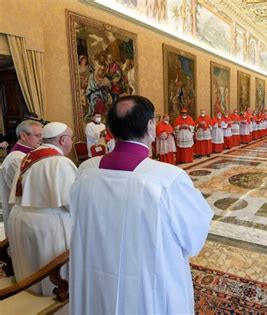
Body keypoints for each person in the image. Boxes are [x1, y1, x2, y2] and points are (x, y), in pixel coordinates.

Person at [69, 95, 213, 314]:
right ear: (150, 126)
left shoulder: (85, 171)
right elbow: (193, 237)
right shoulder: (167, 178)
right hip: (147, 285)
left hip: (96, 274)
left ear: (110, 128)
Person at [8, 122, 77, 296]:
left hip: (21, 217)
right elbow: (72, 202)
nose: (72, 142)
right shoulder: (59, 162)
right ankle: (56, 295)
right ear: (62, 140)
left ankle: (31, 292)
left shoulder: (28, 157)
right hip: (47, 223)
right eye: (71, 138)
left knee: (29, 266)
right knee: (49, 268)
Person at [1, 120, 43, 237]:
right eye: (37, 136)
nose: (41, 140)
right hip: (25, 212)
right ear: (23, 136)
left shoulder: (30, 154)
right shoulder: (17, 158)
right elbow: (28, 187)